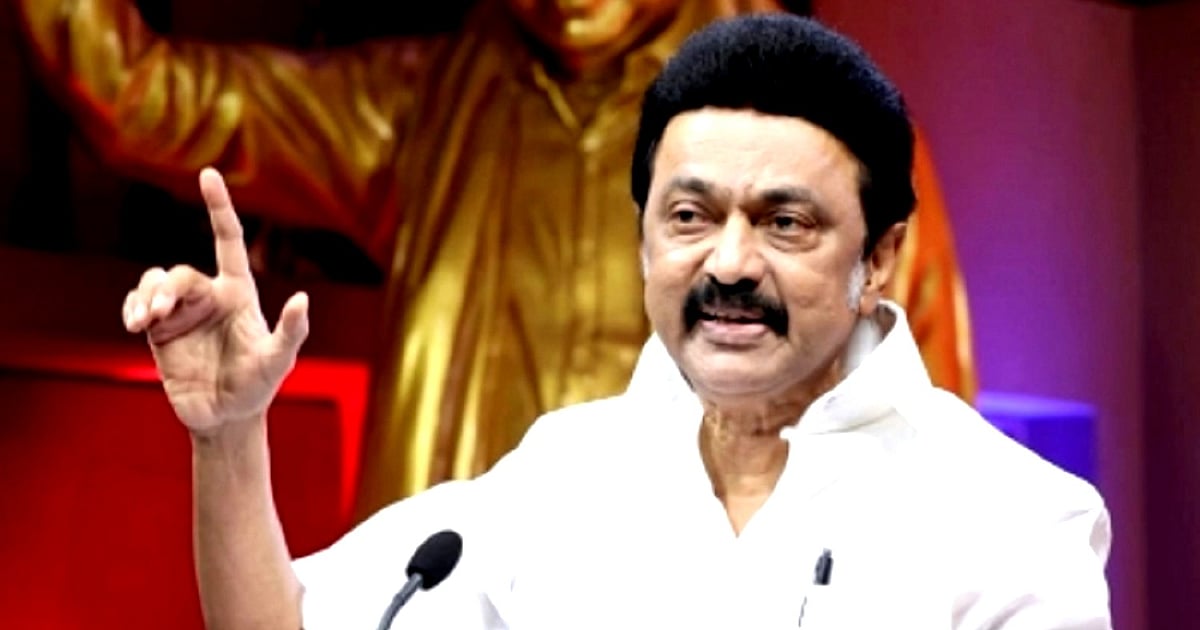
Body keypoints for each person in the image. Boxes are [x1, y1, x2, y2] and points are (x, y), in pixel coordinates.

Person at [120, 13, 1109, 629]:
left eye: (784, 222)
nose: (729, 263)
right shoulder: (564, 476)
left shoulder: (1014, 521)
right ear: (644, 241)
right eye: (690, 216)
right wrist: (228, 438)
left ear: (880, 255)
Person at [17, 0, 977, 514]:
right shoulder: (430, 101)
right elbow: (136, 91)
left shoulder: (821, 124)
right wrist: (228, 442)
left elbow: (930, 444)